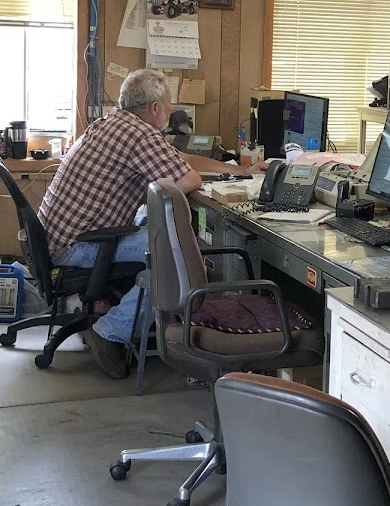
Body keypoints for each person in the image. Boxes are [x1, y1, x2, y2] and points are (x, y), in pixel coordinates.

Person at [38, 69, 263, 378]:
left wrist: (236, 170)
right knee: (179, 259)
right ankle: (110, 332)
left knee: (168, 246)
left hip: (60, 236)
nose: (169, 111)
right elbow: (188, 179)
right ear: (156, 108)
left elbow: (178, 159)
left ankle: (148, 325)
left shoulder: (112, 124)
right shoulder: (138, 134)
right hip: (80, 244)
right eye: (168, 104)